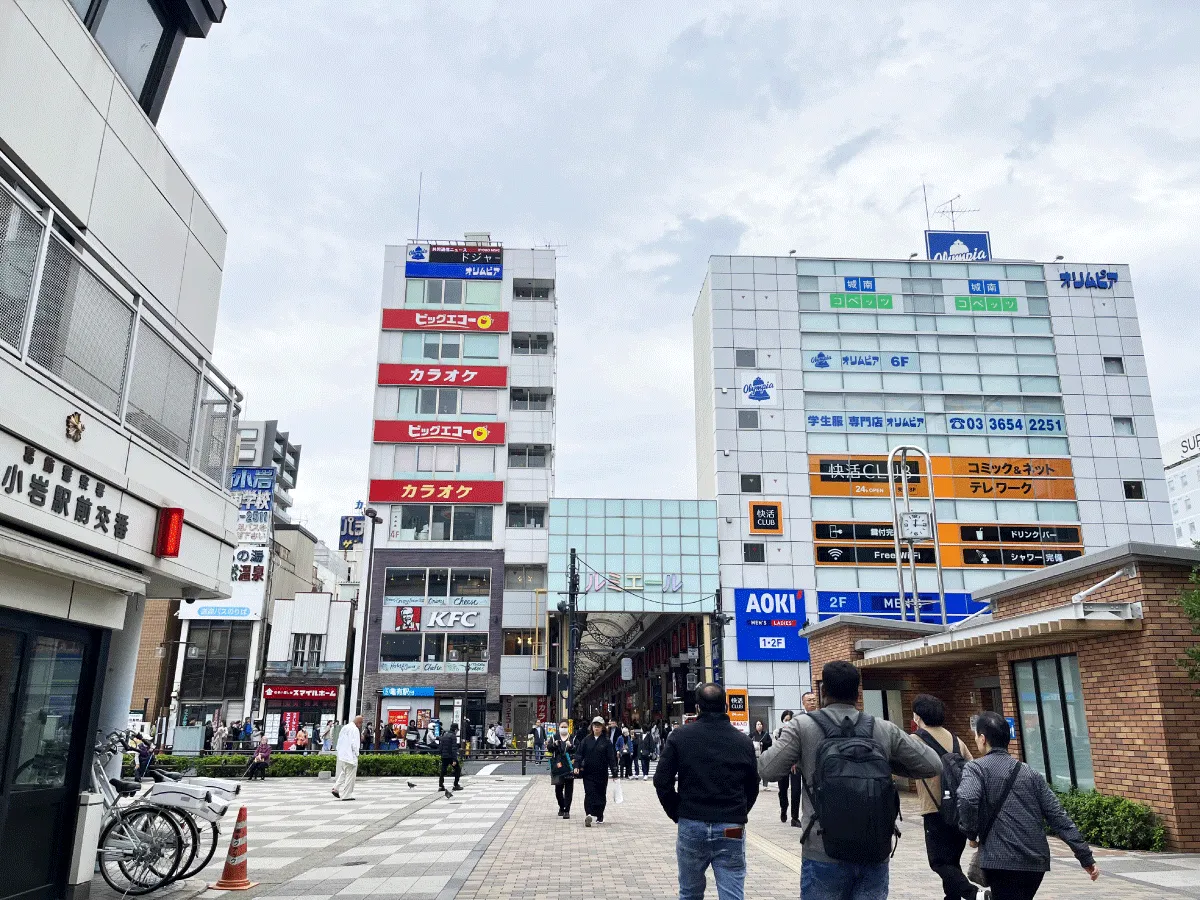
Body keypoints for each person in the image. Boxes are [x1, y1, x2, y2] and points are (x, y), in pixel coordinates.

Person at [759, 660, 941, 900]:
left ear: (823, 691)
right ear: (857, 692)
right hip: (874, 848)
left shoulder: (802, 727)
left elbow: (767, 770)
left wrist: (802, 758)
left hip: (822, 848)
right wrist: (886, 763)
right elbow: (932, 764)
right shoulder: (883, 728)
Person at [957, 711, 1098, 900]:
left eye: (976, 736)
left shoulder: (976, 768)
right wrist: (1085, 856)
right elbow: (1058, 816)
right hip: (1034, 861)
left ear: (983, 739)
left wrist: (970, 833)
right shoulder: (1030, 773)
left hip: (1001, 860)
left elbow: (967, 799)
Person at [654, 682, 759, 900]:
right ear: (726, 706)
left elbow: (661, 780)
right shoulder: (742, 741)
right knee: (732, 892)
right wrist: (739, 811)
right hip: (731, 826)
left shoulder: (680, 737)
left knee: (690, 892)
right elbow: (753, 785)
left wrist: (677, 811)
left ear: (698, 707)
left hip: (692, 823)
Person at [911, 694, 977, 900]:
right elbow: (972, 769)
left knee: (939, 862)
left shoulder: (915, 740)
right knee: (952, 862)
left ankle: (975, 894)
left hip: (934, 809)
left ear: (917, 717)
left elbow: (897, 768)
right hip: (959, 809)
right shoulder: (956, 740)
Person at [575, 716, 617, 826]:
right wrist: (577, 765)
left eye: (598, 726)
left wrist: (614, 772)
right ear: (592, 727)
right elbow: (579, 754)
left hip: (601, 773)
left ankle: (599, 815)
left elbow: (611, 758)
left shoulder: (606, 742)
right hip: (588, 772)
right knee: (589, 792)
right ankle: (588, 814)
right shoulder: (586, 740)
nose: (596, 728)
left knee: (600, 793)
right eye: (594, 725)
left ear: (603, 727)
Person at [773, 710, 801, 825]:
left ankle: (795, 817)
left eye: (790, 720)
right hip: (783, 765)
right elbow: (776, 750)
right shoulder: (777, 732)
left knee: (796, 791)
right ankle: (784, 809)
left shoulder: (798, 733)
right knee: (783, 790)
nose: (788, 722)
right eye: (786, 720)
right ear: (782, 720)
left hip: (795, 766)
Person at [548, 719, 576, 818]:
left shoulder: (572, 738)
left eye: (565, 727)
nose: (563, 728)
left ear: (568, 727)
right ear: (559, 727)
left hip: (569, 766)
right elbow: (549, 749)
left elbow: (577, 749)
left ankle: (567, 810)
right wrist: (554, 744)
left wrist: (571, 746)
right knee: (558, 789)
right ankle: (561, 806)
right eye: (562, 727)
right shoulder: (554, 737)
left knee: (569, 789)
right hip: (557, 766)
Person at [333, 715, 363, 800]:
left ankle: (336, 787)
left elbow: (340, 740)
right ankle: (347, 795)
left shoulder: (345, 727)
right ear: (358, 722)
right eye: (361, 723)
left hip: (343, 754)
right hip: (351, 755)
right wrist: (357, 754)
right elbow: (355, 744)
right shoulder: (355, 729)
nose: (361, 725)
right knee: (350, 775)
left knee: (345, 771)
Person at [438, 722, 463, 795]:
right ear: (455, 729)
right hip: (450, 757)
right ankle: (456, 785)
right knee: (457, 769)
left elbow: (441, 747)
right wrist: (454, 759)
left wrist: (441, 754)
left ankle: (441, 786)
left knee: (443, 771)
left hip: (444, 756)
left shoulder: (444, 735)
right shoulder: (453, 736)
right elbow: (454, 748)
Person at [750, 720, 772, 788]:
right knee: (756, 770)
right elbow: (748, 741)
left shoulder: (766, 734)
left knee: (765, 770)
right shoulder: (752, 734)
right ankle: (756, 784)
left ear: (762, 725)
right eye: (757, 724)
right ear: (755, 726)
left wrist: (763, 744)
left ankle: (765, 785)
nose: (759, 725)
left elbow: (770, 743)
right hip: (755, 755)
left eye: (760, 724)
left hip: (764, 754)